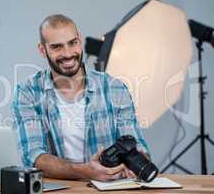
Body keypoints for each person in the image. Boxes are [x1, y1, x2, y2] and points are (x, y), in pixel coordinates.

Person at [11, 14, 150, 181]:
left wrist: (138, 163)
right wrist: (85, 171)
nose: (68, 53)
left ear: (80, 40)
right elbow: (33, 156)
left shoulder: (115, 88)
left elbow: (136, 144)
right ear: (43, 50)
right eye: (57, 47)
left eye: (73, 43)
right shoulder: (27, 92)